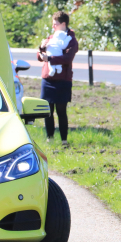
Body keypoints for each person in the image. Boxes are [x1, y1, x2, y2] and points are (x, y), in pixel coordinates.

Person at [37, 11, 78, 147]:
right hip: (48, 79)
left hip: (62, 79)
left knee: (61, 110)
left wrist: (49, 58)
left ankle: (64, 140)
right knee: (47, 110)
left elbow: (67, 58)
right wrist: (41, 48)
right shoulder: (51, 37)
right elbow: (40, 56)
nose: (53, 26)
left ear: (63, 24)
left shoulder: (71, 40)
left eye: (55, 24)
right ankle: (50, 138)